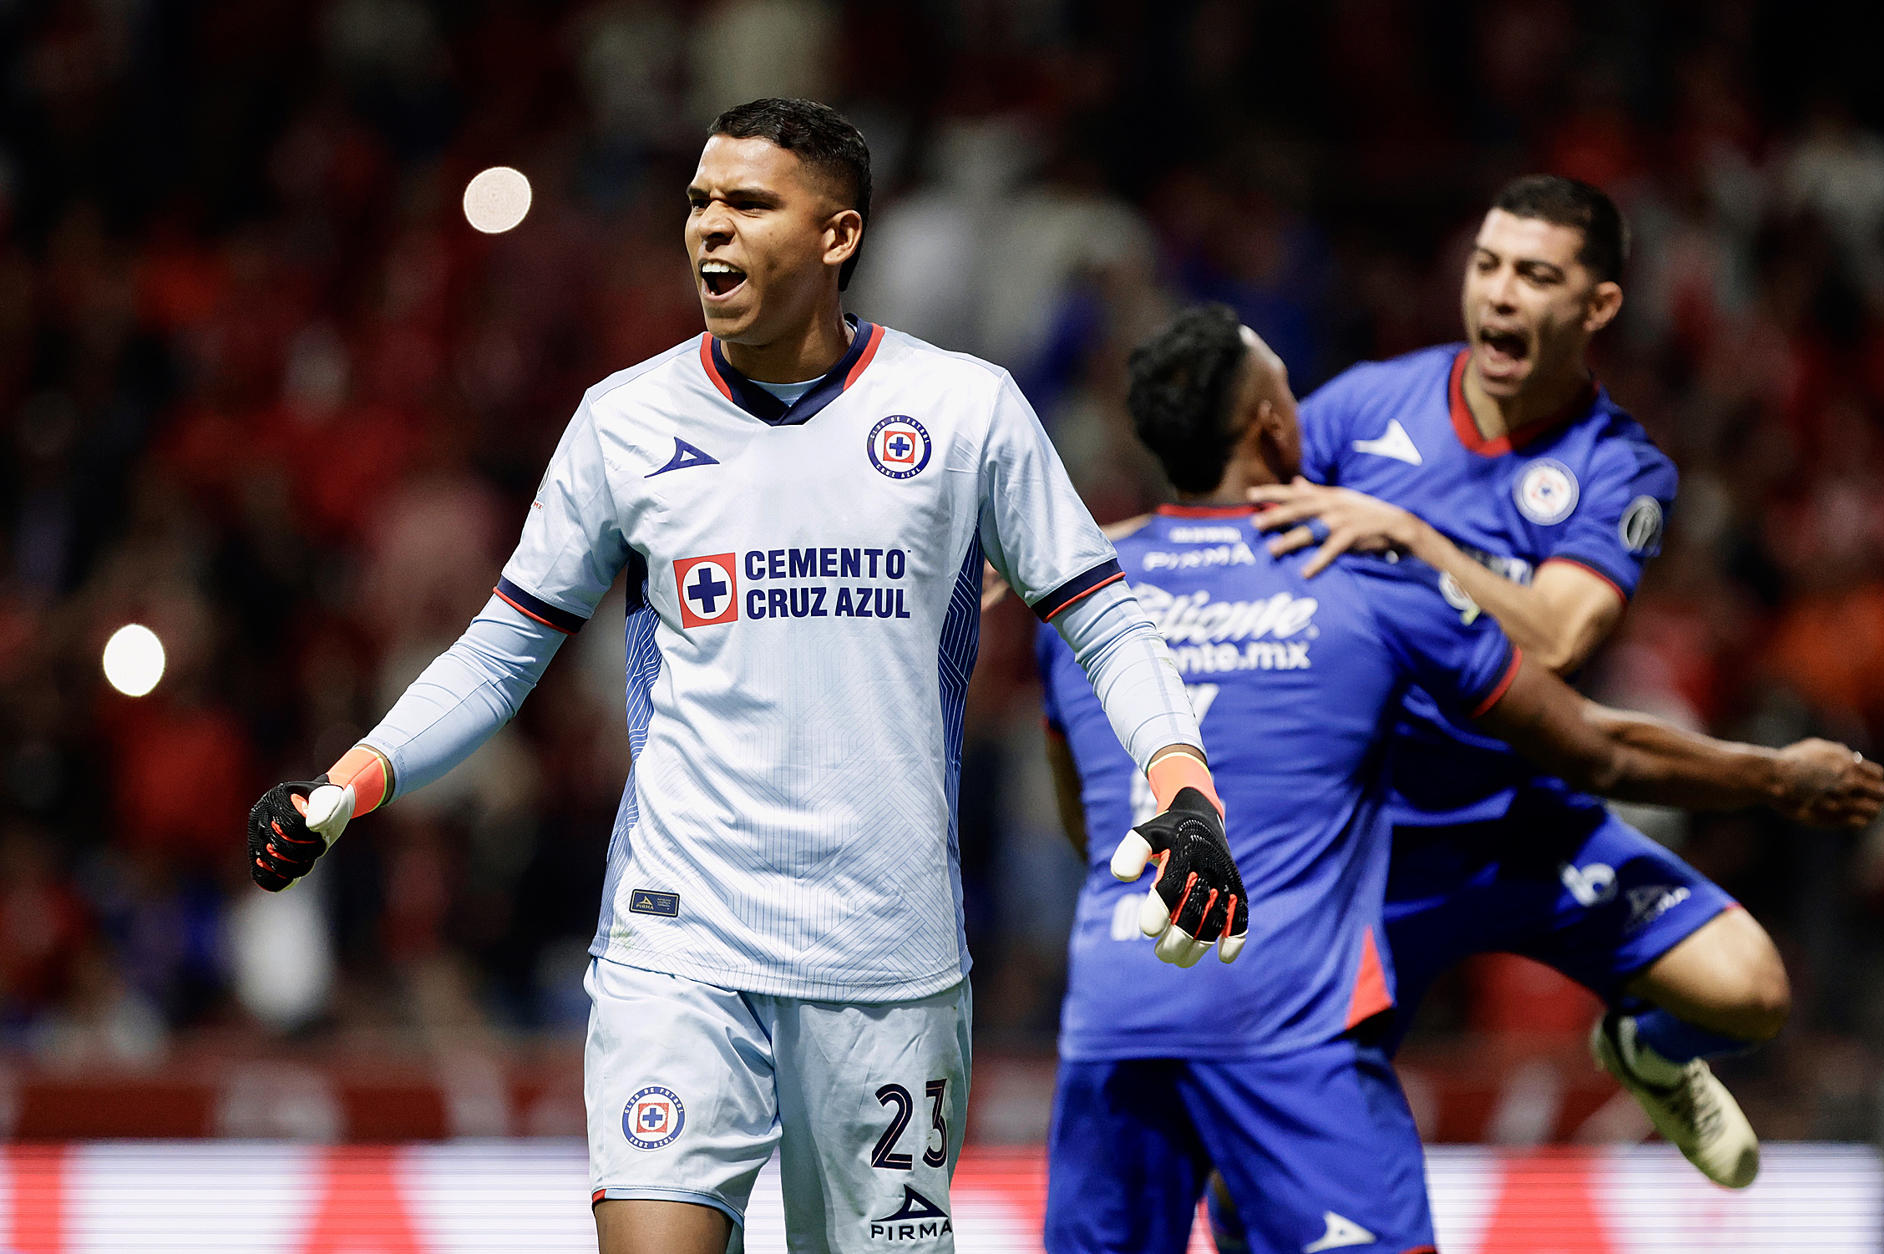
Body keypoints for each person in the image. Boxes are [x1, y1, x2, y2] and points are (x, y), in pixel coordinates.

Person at [243, 98, 1248, 1254]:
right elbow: (502, 650)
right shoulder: (623, 423)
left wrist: (1185, 789)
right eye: (700, 204)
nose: (710, 231)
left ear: (838, 237)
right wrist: (350, 783)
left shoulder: (965, 411)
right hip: (682, 940)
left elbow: (1107, 619)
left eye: (749, 205)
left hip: (889, 959)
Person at [1037, 303, 1884, 1254]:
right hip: (1288, 1020)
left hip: (1117, 1006)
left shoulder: (1087, 596)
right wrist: (1772, 777)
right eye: (1286, 383)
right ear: (1276, 425)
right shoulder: (1360, 575)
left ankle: (1643, 1052)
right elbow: (1593, 747)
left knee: (1742, 985)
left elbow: (1091, 827)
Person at [1245, 174, 1785, 1189]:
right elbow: (1227, 517)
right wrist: (1082, 549)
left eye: (1536, 276)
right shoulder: (1365, 406)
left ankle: (1647, 1052)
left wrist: (1410, 533)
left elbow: (1562, 636)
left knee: (1750, 990)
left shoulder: (1621, 467)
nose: (1498, 294)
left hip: (1533, 824)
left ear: (1598, 307)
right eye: (1487, 265)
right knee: (1262, 1169)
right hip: (1370, 845)